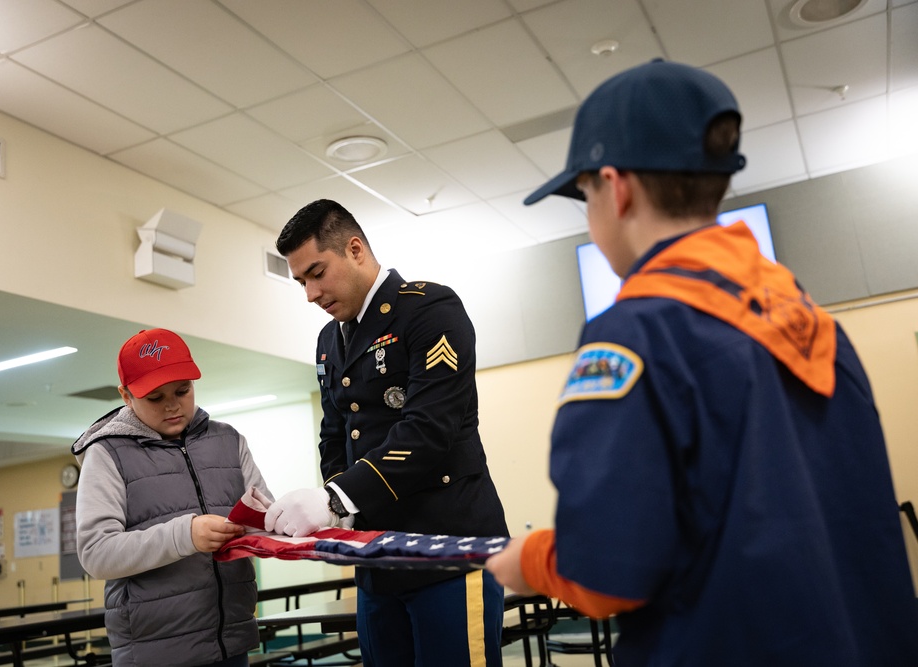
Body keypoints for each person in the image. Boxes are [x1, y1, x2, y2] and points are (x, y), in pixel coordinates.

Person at [485, 59, 918, 666]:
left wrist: (528, 561)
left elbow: (609, 573)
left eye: (584, 195)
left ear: (618, 187)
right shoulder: (817, 326)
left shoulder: (632, 335)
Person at [270, 199, 510, 666]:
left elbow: (428, 430)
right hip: (377, 561)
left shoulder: (429, 309)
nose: (310, 294)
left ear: (355, 249)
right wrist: (337, 511)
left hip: (447, 553)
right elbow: (335, 432)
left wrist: (337, 497)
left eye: (317, 272)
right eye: (301, 281)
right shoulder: (329, 340)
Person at [72, 328, 273, 667]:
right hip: (154, 652)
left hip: (232, 641)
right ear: (126, 395)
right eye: (155, 397)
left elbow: (262, 518)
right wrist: (186, 535)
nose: (172, 405)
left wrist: (288, 522)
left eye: (183, 390)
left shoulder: (229, 440)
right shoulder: (106, 454)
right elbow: (96, 553)